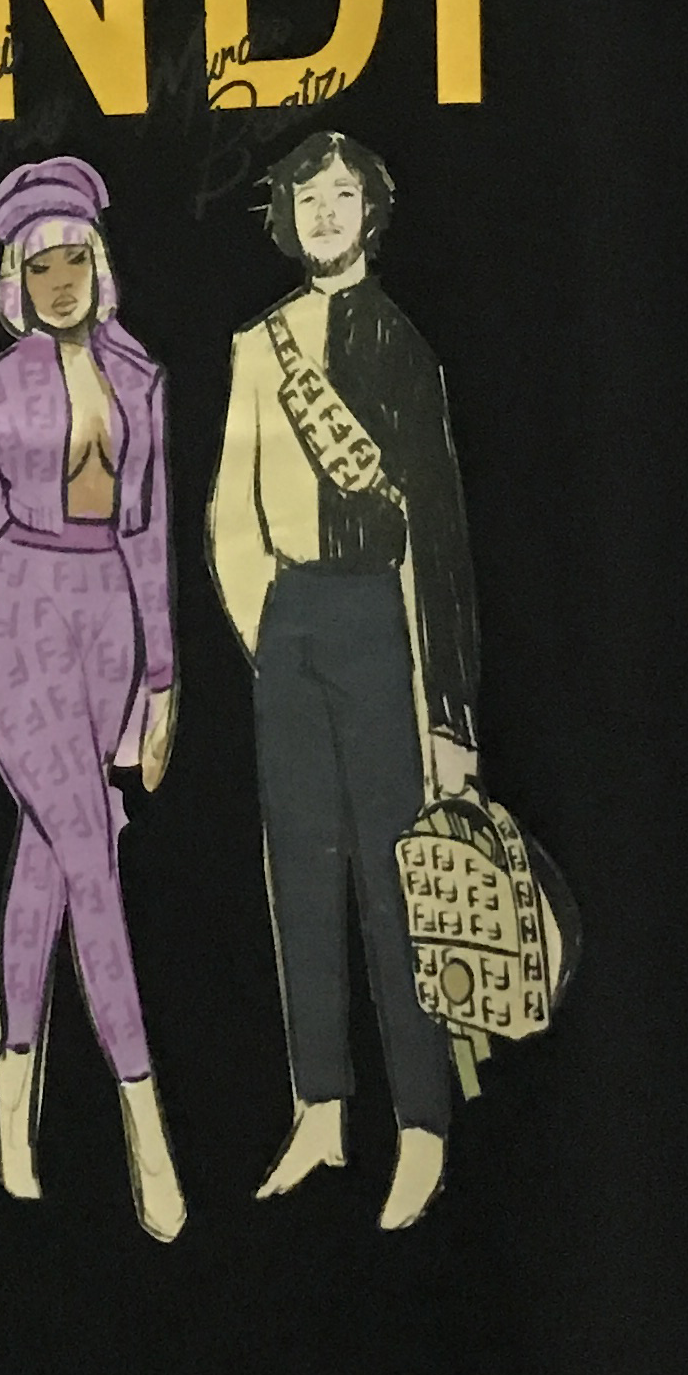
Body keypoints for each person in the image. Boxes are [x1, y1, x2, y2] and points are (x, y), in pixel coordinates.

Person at [0, 155, 186, 1239]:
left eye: (74, 259)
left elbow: (151, 540)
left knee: (50, 858)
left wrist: (162, 684)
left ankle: (12, 1093)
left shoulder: (142, 381)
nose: (61, 281)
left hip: (107, 621)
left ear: (98, 263)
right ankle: (146, 1125)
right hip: (12, 616)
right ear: (15, 280)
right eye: (41, 265)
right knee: (92, 860)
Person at [208, 130, 479, 1232]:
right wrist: (265, 625)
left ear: (372, 210)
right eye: (308, 197)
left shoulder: (402, 344)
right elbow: (231, 503)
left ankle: (422, 1123)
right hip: (291, 619)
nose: (324, 213)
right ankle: (319, 1106)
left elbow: (440, 532)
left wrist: (449, 709)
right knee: (300, 868)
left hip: (379, 619)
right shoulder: (257, 344)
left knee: (393, 874)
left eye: (342, 195)